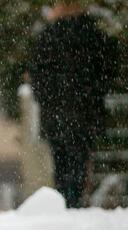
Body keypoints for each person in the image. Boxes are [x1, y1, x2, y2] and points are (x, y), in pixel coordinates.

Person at [29, 2, 119, 208]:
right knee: (79, 160)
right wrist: (93, 94)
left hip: (56, 114)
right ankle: (75, 201)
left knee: (61, 163)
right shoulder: (92, 34)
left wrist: (48, 99)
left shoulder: (48, 36)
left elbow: (37, 76)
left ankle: (65, 202)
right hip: (84, 111)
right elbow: (107, 70)